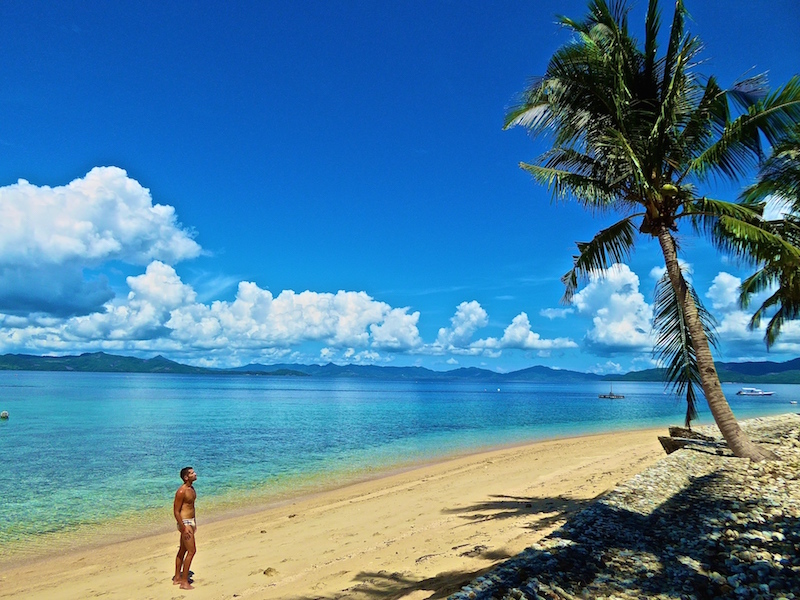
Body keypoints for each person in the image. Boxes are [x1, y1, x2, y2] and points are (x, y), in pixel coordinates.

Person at [173, 466, 198, 589]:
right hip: (185, 523)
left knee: (183, 550)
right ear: (186, 477)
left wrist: (195, 523)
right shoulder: (181, 491)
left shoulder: (191, 488)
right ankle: (184, 582)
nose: (195, 474)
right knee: (192, 551)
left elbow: (191, 507)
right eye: (192, 473)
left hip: (191, 522)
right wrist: (183, 527)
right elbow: (176, 511)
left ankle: (177, 577)